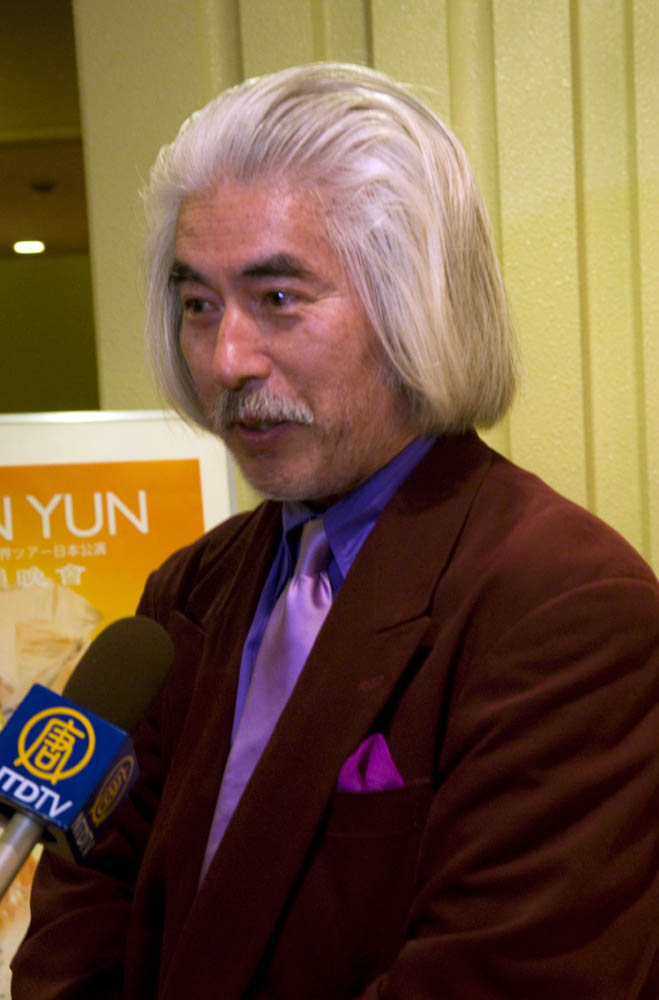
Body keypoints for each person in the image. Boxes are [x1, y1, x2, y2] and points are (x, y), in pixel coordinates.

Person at [11, 62, 659, 1000]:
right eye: (198, 305)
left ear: (413, 304)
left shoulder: (566, 606)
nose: (227, 359)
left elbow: (502, 974)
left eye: (278, 298)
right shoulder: (186, 592)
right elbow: (84, 902)